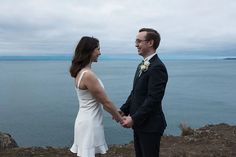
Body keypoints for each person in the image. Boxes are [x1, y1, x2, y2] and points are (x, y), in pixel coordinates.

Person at [69, 36, 123, 157]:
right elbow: (106, 102)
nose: (100, 52)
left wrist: (117, 112)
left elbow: (99, 102)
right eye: (97, 49)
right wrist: (121, 119)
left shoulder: (80, 72)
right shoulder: (88, 75)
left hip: (85, 120)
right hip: (90, 123)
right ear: (89, 51)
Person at [120, 28, 168, 157]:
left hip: (151, 125)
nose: (136, 45)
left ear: (150, 43)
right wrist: (123, 110)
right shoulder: (142, 64)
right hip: (140, 124)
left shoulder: (157, 67)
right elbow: (135, 92)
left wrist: (134, 118)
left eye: (139, 41)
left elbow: (153, 99)